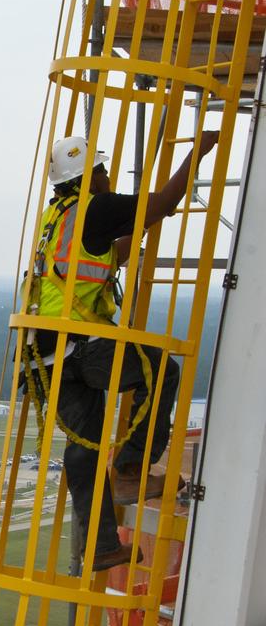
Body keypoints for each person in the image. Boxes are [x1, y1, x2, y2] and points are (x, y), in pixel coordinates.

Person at [25, 129, 218, 570]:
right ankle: (132, 469)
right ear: (90, 176)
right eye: (103, 170)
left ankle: (101, 545)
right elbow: (164, 201)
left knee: (85, 447)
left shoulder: (55, 218)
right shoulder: (95, 207)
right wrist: (197, 152)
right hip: (82, 346)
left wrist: (147, 220)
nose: (108, 176)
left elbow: (106, 257)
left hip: (45, 356)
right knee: (161, 371)